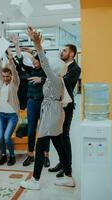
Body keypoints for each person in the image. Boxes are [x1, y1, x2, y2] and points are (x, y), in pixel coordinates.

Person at [20, 26, 69, 190]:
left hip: (51, 113)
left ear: (53, 69)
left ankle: (35, 180)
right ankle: (69, 176)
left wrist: (37, 44)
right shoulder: (56, 80)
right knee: (59, 145)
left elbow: (45, 64)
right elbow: (45, 66)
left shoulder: (55, 79)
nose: (45, 65)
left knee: (40, 146)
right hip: (53, 112)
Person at [10, 35, 50, 167]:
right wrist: (16, 44)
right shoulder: (30, 70)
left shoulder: (47, 72)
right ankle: (30, 155)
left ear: (41, 61)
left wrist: (42, 80)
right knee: (31, 130)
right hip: (31, 103)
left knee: (44, 131)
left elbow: (54, 81)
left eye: (36, 61)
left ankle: (45, 156)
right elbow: (20, 60)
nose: (33, 63)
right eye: (33, 61)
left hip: (43, 103)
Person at [48, 44, 81, 186]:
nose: (61, 52)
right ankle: (62, 163)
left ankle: (68, 167)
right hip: (56, 104)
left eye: (65, 50)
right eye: (61, 50)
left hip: (66, 106)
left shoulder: (75, 69)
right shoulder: (60, 66)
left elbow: (64, 83)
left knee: (64, 135)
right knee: (57, 135)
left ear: (72, 54)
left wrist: (51, 78)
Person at [0, 48, 20, 166]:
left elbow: (14, 72)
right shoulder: (0, 83)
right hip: (0, 114)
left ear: (11, 76)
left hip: (12, 115)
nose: (5, 78)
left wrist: (11, 60)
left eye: (7, 76)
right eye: (4, 76)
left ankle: (12, 156)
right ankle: (4, 155)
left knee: (6, 137)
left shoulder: (15, 84)